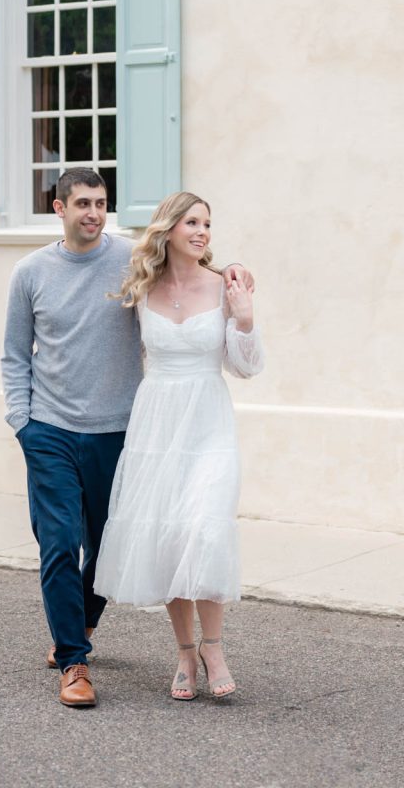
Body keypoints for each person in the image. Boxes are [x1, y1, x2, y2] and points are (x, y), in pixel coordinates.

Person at [1, 169, 252, 708]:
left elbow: (188, 255)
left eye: (102, 203)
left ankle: (82, 625)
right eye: (83, 203)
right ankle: (73, 660)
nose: (94, 212)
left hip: (120, 427)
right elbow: (14, 353)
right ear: (58, 208)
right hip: (49, 428)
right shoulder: (30, 272)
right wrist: (21, 421)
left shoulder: (132, 262)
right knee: (60, 542)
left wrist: (230, 272)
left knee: (106, 543)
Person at [94, 191, 264, 701]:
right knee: (168, 535)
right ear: (167, 229)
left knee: (205, 529)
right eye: (191, 222)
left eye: (207, 224)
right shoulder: (142, 284)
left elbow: (247, 366)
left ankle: (214, 646)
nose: (202, 232)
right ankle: (185, 654)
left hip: (208, 421)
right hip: (157, 424)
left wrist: (246, 317)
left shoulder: (225, 286)